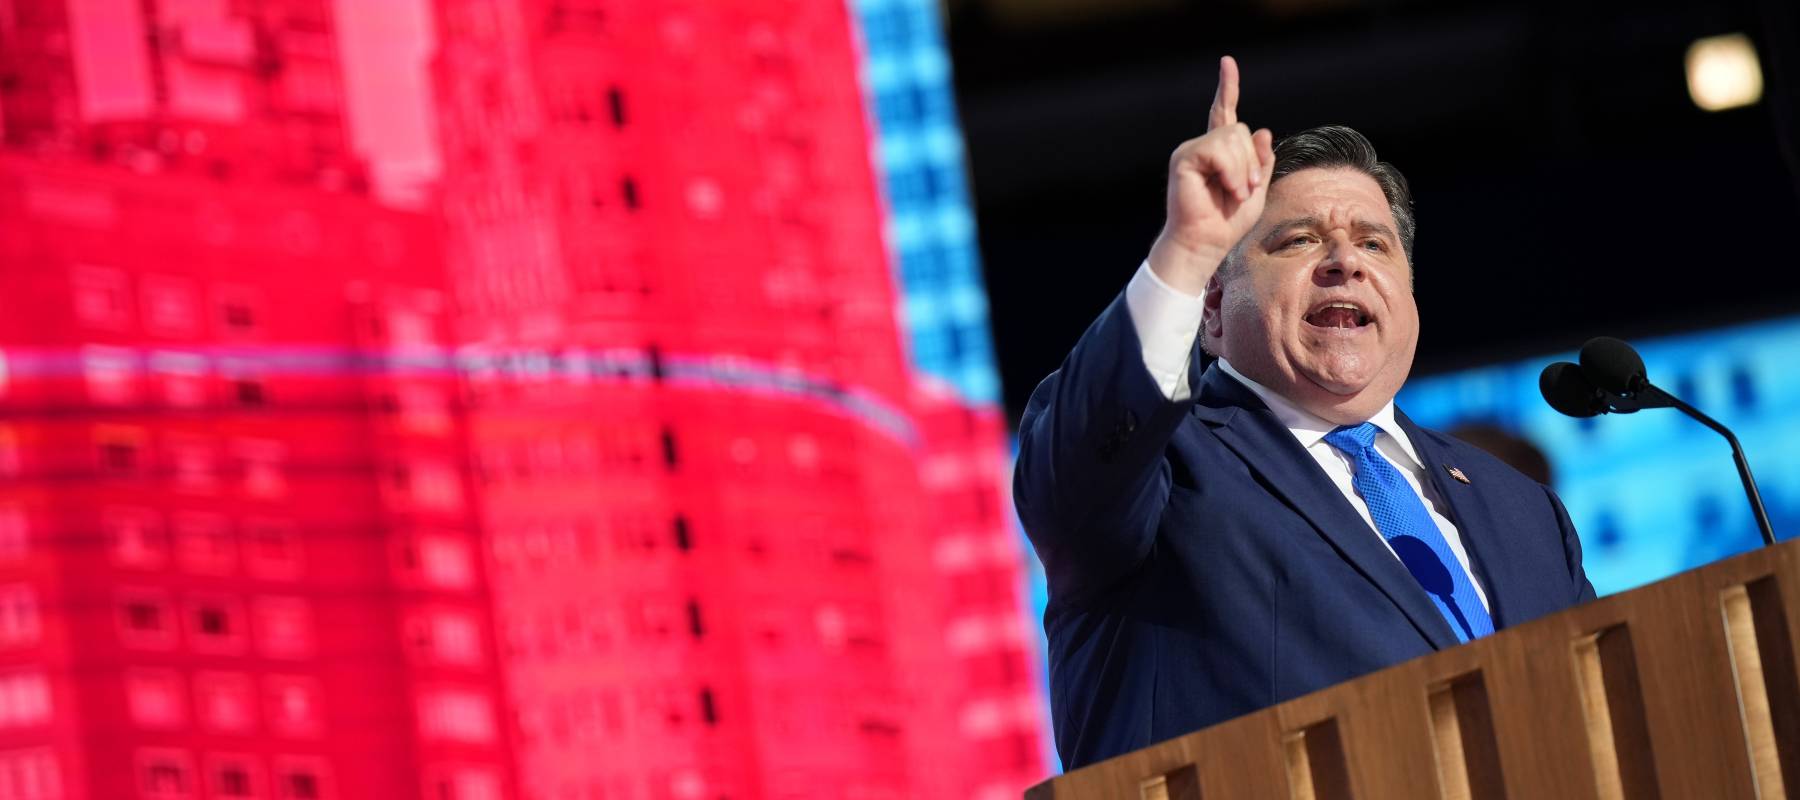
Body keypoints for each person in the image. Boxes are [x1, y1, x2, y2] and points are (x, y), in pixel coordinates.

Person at [1013, 56, 1595, 769]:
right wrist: (1188, 248)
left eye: (1374, 243)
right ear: (1216, 310)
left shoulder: (1524, 511)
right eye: (1300, 240)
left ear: (1408, 299)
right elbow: (1075, 466)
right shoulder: (1165, 470)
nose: (1345, 262)